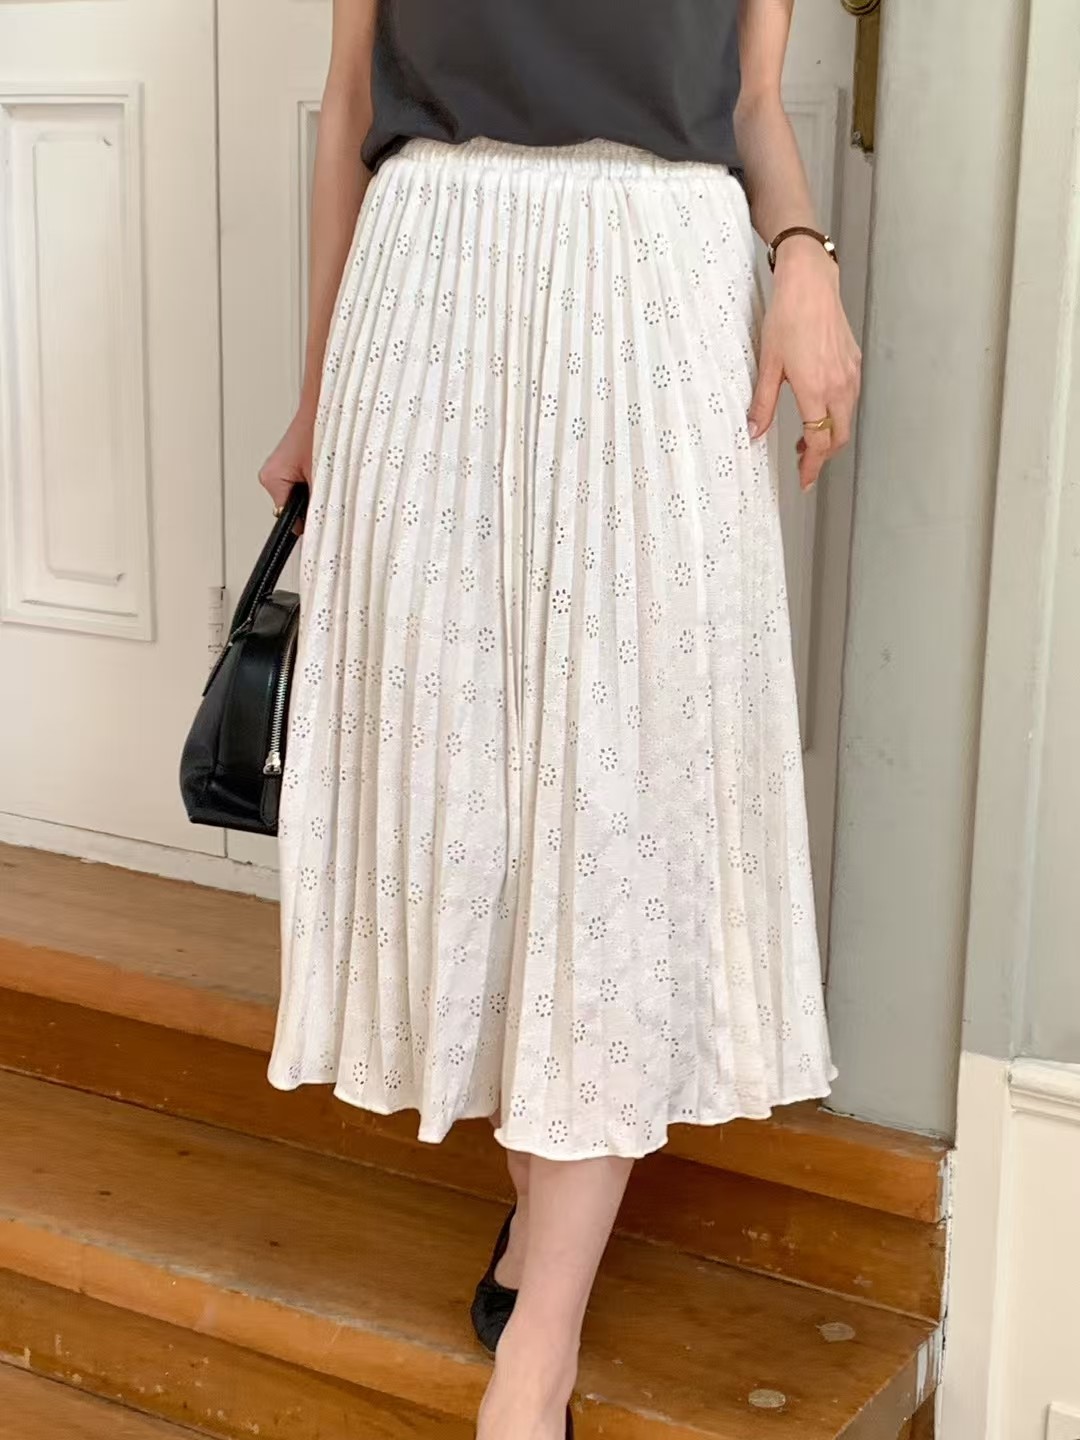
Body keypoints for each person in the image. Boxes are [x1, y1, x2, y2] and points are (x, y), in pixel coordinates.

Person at [259, 2, 859, 1436]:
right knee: (468, 793)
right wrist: (317, 398)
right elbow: (351, 105)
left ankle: (544, 1345)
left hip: (655, 292)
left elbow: (753, 104)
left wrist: (804, 257)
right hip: (431, 290)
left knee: (618, 804)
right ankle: (540, 1203)